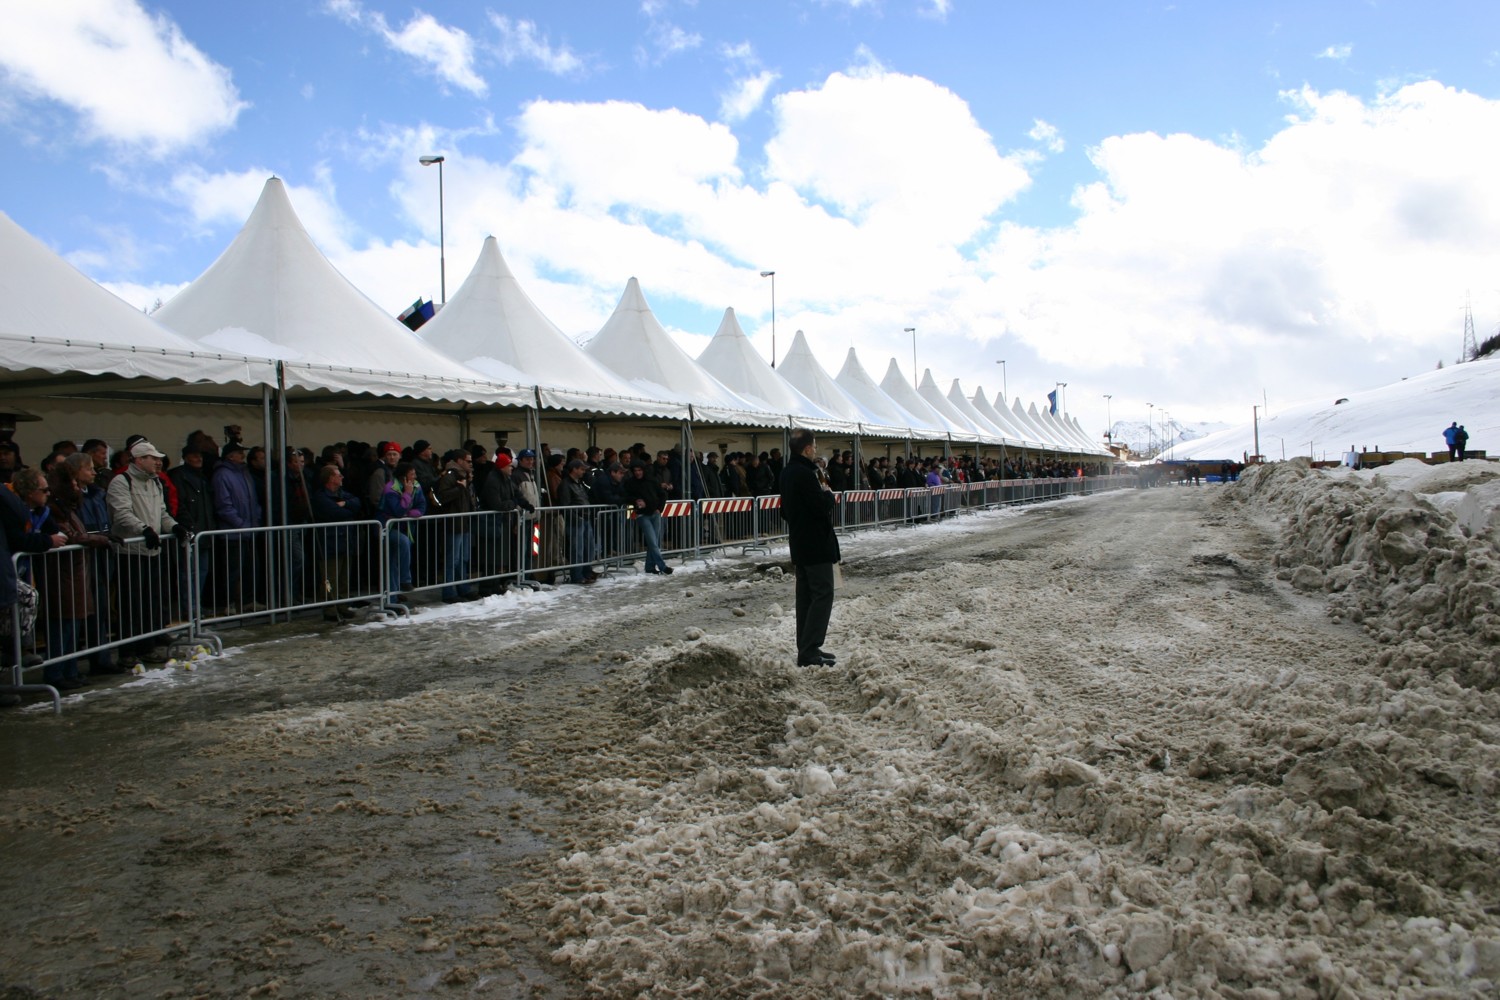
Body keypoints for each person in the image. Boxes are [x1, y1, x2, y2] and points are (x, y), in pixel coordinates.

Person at [105, 440, 189, 662]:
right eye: (153, 458)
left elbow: (162, 513)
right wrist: (143, 529)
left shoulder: (156, 483)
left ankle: (147, 646)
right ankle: (128, 652)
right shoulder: (121, 482)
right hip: (130, 551)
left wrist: (174, 526)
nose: (158, 462)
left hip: (152, 550)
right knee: (131, 604)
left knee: (150, 602)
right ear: (140, 460)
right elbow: (121, 513)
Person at [779, 427, 840, 667]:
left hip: (800, 541)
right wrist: (828, 495)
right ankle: (810, 647)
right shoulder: (805, 474)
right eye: (814, 446)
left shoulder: (787, 472)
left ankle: (806, 647)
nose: (815, 450)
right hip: (816, 542)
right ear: (806, 449)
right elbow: (819, 505)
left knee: (805, 596)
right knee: (823, 593)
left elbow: (785, 510)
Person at [310, 464, 362, 622]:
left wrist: (346, 504)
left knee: (344, 576)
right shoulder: (320, 497)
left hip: (345, 540)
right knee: (329, 577)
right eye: (338, 475)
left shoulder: (341, 494)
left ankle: (342, 604)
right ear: (330, 478)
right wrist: (347, 509)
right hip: (329, 542)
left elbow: (357, 503)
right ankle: (329, 607)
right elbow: (336, 513)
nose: (342, 477)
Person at [378, 461, 425, 601]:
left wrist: (411, 513)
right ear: (404, 477)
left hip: (404, 527)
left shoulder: (416, 486)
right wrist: (407, 494)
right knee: (395, 555)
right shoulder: (390, 489)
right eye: (412, 474)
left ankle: (393, 596)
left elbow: (422, 506)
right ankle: (405, 580)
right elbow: (398, 511)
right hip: (387, 527)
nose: (415, 476)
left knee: (394, 562)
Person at [622, 460, 673, 575]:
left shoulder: (652, 480)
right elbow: (626, 496)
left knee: (653, 542)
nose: (637, 473)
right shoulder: (631, 483)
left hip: (654, 513)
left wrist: (659, 508)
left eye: (639, 470)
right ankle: (662, 566)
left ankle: (650, 566)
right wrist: (635, 501)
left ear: (643, 470)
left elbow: (662, 494)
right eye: (635, 471)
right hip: (642, 514)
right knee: (653, 541)